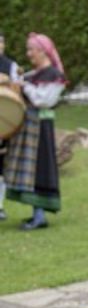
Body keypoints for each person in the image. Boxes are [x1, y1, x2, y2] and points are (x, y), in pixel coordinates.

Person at [4, 33, 66, 230]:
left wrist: (26, 86)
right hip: (28, 127)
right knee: (29, 172)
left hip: (40, 128)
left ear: (42, 51)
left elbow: (43, 101)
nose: (28, 53)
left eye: (31, 49)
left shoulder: (54, 75)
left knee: (39, 170)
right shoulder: (32, 74)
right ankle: (36, 214)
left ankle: (40, 217)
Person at [0, 32, 20, 222]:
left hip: (4, 121)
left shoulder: (11, 66)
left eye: (2, 41)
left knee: (1, 166)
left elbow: (16, 90)